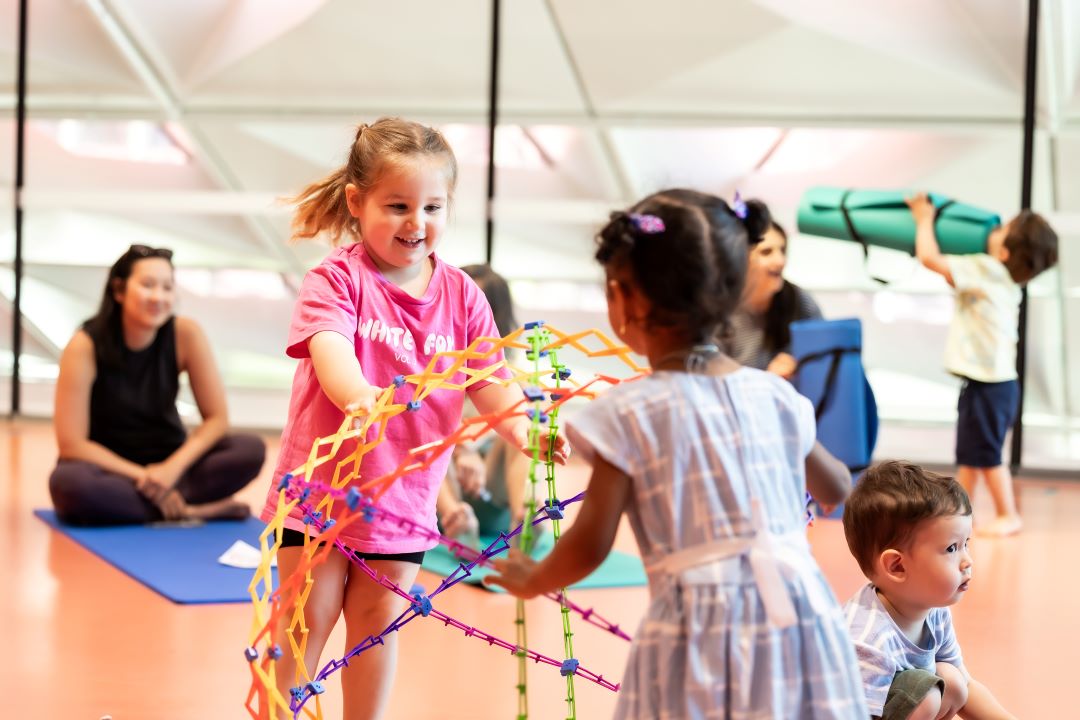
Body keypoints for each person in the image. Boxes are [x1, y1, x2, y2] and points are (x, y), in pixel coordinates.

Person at [485, 189, 867, 718]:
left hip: (700, 627)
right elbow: (836, 488)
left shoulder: (631, 411)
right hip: (800, 612)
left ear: (625, 300)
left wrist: (535, 578)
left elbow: (592, 541)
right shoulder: (775, 394)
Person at [260, 117, 567, 720]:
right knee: (308, 616)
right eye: (397, 205)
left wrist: (524, 431)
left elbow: (491, 382)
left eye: (432, 207)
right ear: (357, 201)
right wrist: (360, 397)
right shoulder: (337, 278)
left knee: (377, 623)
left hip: (402, 498)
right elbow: (330, 350)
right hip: (322, 491)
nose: (416, 223)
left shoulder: (462, 297)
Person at [50, 245, 266, 525]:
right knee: (70, 485)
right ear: (119, 290)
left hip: (171, 464)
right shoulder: (84, 345)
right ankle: (191, 510)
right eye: (147, 285)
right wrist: (145, 477)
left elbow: (217, 420)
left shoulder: (185, 333)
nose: (158, 297)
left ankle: (150, 505)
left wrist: (170, 470)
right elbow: (72, 445)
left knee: (250, 449)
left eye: (167, 287)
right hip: (110, 470)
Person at [907, 194, 1058, 537]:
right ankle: (962, 510)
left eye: (1004, 227)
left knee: (987, 455)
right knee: (969, 453)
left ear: (1004, 252)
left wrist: (922, 218)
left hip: (991, 384)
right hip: (991, 383)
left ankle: (1009, 515)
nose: (995, 225)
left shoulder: (987, 268)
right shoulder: (1004, 280)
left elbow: (929, 258)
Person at [841, 460, 1016, 719]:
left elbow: (966, 685)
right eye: (951, 549)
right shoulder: (867, 639)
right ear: (897, 566)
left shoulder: (932, 611)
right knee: (926, 696)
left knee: (953, 681)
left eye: (965, 543)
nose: (968, 560)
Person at [435, 263, 531, 544]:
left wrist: (467, 446)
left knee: (527, 426)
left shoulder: (512, 377)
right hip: (443, 496)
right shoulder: (432, 367)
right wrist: (459, 449)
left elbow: (513, 423)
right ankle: (458, 520)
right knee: (422, 440)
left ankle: (526, 515)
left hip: (494, 495)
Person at [727, 205, 822, 378]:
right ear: (739, 259)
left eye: (783, 250)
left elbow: (823, 356)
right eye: (766, 252)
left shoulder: (798, 300)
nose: (780, 261)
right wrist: (768, 381)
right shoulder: (720, 312)